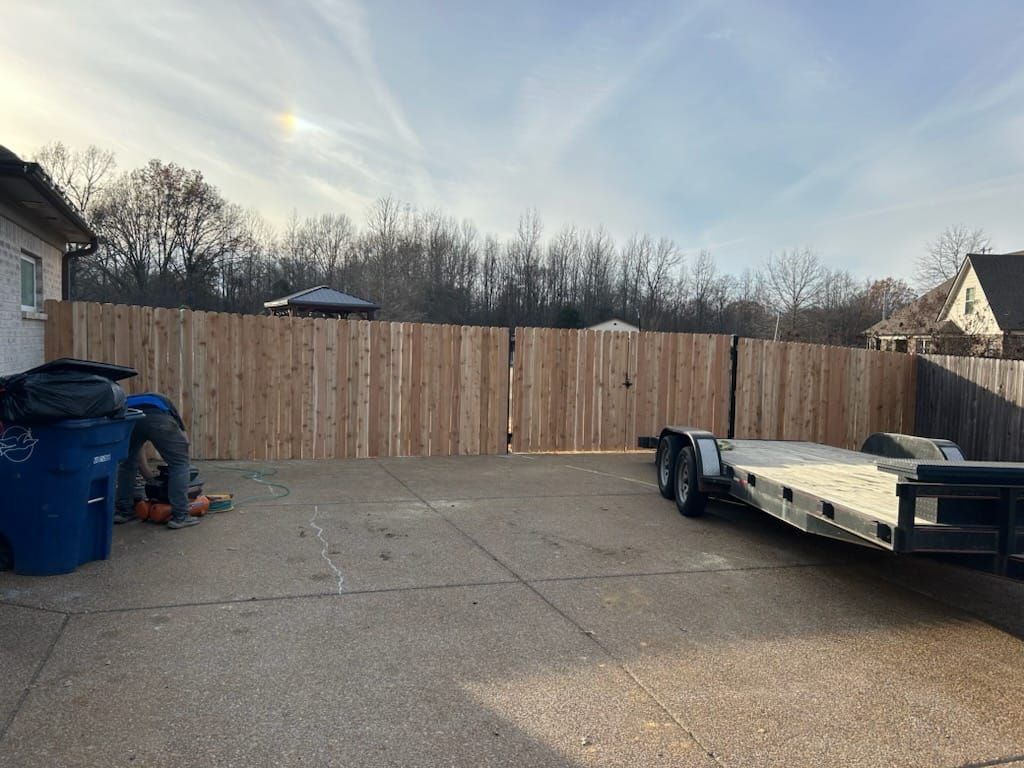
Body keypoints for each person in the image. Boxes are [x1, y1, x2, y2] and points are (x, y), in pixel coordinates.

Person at [113, 392, 200, 529]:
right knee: (179, 464)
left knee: (127, 464)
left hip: (128, 419)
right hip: (158, 418)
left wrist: (148, 476)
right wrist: (183, 459)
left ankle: (124, 511)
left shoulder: (125, 400)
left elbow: (137, 453)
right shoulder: (164, 400)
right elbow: (184, 440)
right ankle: (181, 516)